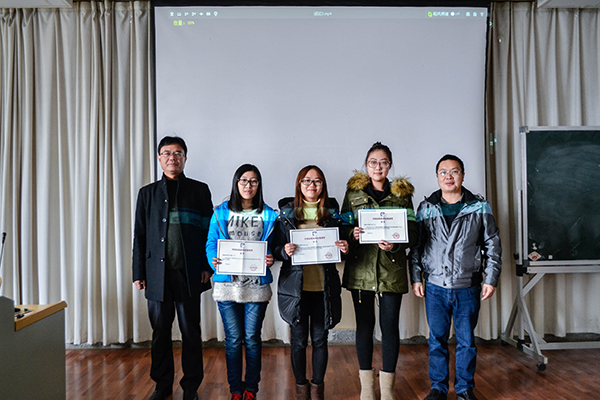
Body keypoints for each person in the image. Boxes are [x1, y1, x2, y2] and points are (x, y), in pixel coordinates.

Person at [409, 154, 502, 400]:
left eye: (454, 171)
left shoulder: (479, 206)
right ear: (437, 176)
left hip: (467, 285)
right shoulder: (426, 207)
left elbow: (492, 243)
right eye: (443, 172)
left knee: (466, 342)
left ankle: (464, 389)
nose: (448, 176)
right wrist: (416, 277)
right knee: (436, 340)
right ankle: (438, 388)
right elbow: (417, 246)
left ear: (462, 175)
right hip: (435, 286)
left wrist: (490, 279)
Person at [132, 136, 213, 400]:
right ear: (159, 158)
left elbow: (208, 233)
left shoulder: (199, 190)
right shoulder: (147, 194)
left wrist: (206, 266)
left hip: (189, 274)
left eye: (178, 153)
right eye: (166, 153)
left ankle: (191, 387)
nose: (172, 158)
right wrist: (138, 272)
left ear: (185, 158)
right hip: (157, 275)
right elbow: (140, 236)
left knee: (191, 332)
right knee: (160, 333)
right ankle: (162, 385)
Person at [340, 142, 418, 400]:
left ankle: (387, 391)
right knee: (364, 327)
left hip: (391, 270)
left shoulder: (402, 195)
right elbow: (341, 228)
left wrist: (397, 243)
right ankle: (366, 390)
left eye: (383, 162)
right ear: (366, 164)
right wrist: (353, 233)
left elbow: (414, 233)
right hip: (361, 269)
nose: (378, 167)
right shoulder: (353, 194)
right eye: (373, 162)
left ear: (390, 165)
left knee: (390, 328)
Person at [274, 165, 349, 400]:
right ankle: (300, 390)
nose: (312, 186)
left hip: (323, 287)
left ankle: (317, 390)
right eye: (306, 181)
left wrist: (345, 249)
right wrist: (284, 251)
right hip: (295, 289)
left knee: (320, 339)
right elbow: (275, 248)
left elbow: (343, 248)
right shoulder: (287, 214)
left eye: (317, 182)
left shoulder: (333, 214)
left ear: (323, 186)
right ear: (299, 185)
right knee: (297, 342)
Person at [206, 164, 278, 400]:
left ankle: (251, 389)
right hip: (227, 287)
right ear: (236, 183)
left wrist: (271, 256)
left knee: (253, 339)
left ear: (259, 185)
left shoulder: (269, 214)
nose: (249, 186)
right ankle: (236, 389)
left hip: (256, 288)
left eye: (254, 181)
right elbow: (211, 243)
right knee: (234, 341)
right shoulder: (220, 212)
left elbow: (275, 247)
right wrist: (213, 260)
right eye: (244, 181)